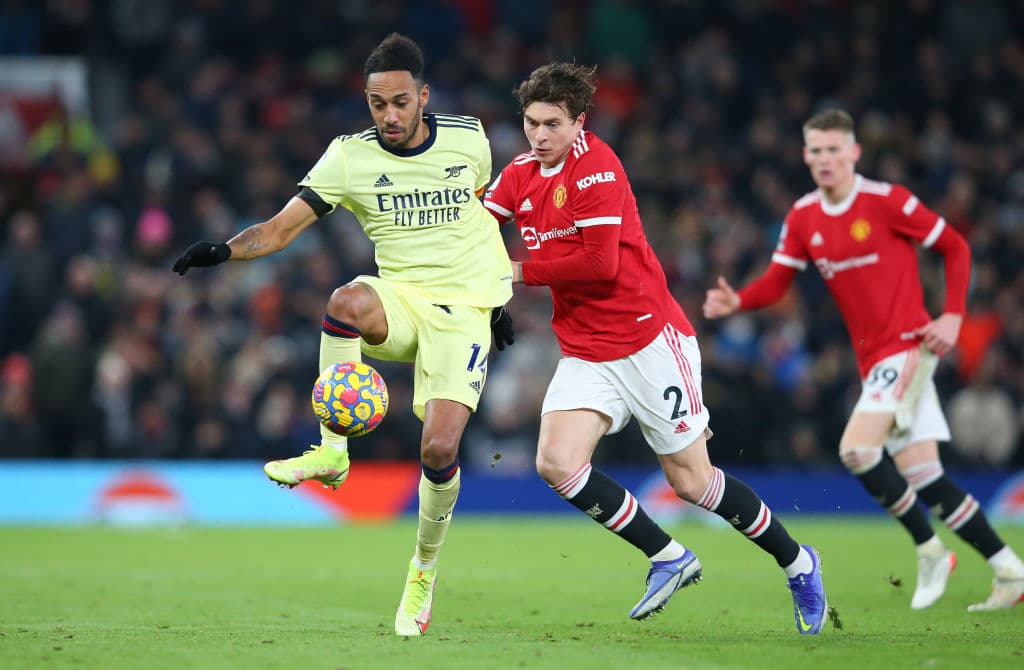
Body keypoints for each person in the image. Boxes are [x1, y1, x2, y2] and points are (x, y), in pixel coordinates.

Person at [172, 33, 515, 636]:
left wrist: (497, 297)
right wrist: (223, 251)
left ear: (423, 96)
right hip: (401, 300)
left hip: (464, 313)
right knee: (346, 300)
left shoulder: (470, 138)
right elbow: (280, 230)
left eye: (401, 103)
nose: (389, 116)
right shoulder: (348, 156)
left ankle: (422, 573)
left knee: (438, 450)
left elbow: (483, 213)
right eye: (378, 104)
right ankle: (334, 449)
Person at [483, 62, 828, 634]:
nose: (538, 135)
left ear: (578, 123)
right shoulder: (520, 172)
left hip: (648, 342)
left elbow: (599, 263)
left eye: (551, 123)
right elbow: (476, 228)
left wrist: (514, 272)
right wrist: (481, 292)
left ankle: (798, 562)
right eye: (530, 123)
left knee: (691, 483)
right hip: (587, 351)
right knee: (556, 463)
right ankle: (667, 556)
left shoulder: (598, 168)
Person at [703, 108, 1024, 611]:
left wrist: (954, 317)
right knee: (925, 475)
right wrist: (738, 301)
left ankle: (930, 548)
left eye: (835, 149)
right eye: (817, 150)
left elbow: (956, 247)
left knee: (857, 450)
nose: (826, 159)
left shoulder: (886, 200)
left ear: (853, 152)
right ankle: (1010, 570)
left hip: (909, 345)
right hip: (873, 359)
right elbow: (778, 280)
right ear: (806, 156)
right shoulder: (804, 216)